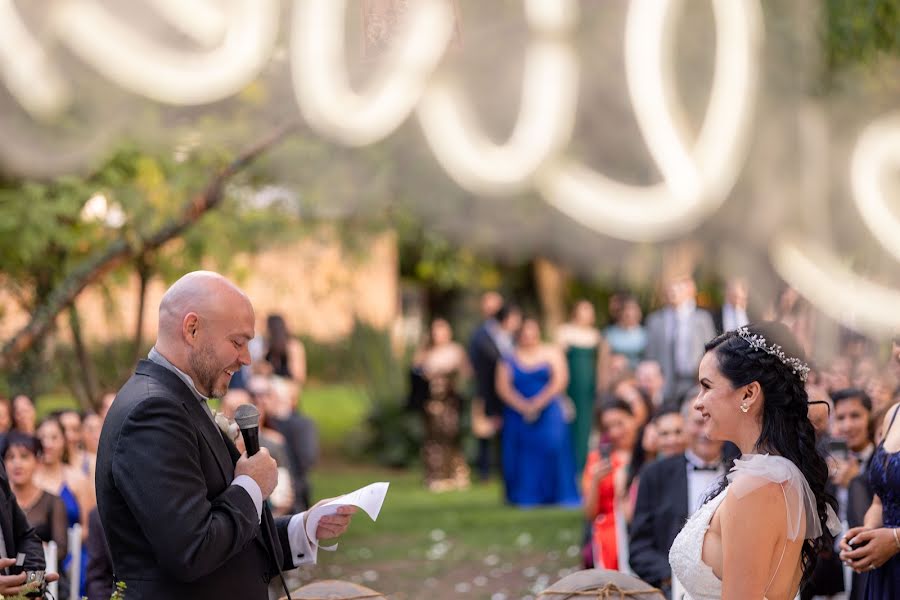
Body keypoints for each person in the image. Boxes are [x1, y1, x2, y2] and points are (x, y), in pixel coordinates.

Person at [96, 271, 355, 600]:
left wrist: (301, 529)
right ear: (192, 329)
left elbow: (223, 536)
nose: (246, 359)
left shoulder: (179, 400)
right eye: (237, 342)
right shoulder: (152, 412)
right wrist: (250, 486)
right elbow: (192, 550)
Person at [669, 322, 840, 600]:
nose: (697, 403)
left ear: (748, 394)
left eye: (706, 386)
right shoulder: (768, 474)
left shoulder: (759, 486)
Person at [630, 401, 726, 596]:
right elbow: (639, 549)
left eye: (714, 421)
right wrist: (673, 577)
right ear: (685, 426)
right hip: (673, 590)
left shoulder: (741, 472)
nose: (706, 431)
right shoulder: (655, 475)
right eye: (698, 422)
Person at [496, 317, 580, 507]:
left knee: (553, 448)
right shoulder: (509, 358)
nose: (529, 336)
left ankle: (559, 494)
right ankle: (525, 495)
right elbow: (503, 388)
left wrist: (538, 403)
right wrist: (523, 406)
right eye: (524, 333)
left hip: (549, 410)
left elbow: (560, 380)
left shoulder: (551, 352)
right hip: (518, 413)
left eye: (532, 332)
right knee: (523, 454)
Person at [839, 367, 900, 597]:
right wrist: (864, 536)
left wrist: (895, 540)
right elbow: (879, 501)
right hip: (885, 571)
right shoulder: (893, 414)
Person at [413, 318, 471, 492]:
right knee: (433, 439)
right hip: (432, 402)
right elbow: (416, 374)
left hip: (451, 402)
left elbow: (465, 373)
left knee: (451, 436)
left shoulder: (456, 350)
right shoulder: (425, 352)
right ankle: (436, 475)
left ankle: (456, 473)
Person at [582, 399, 638, 571]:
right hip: (608, 531)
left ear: (633, 418)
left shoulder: (646, 453)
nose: (615, 432)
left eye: (619, 423)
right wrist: (596, 481)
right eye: (608, 427)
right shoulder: (597, 460)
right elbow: (590, 513)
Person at [469, 301, 522, 481]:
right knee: (485, 431)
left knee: (505, 433)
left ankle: (505, 469)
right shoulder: (481, 337)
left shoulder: (514, 338)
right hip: (488, 391)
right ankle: (484, 471)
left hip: (511, 393)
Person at [644, 276, 716, 407]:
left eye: (677, 288)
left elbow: (711, 350)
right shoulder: (655, 320)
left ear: (689, 291)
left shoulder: (702, 319)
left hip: (694, 379)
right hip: (664, 382)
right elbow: (650, 355)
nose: (673, 292)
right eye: (670, 289)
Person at [556, 300, 606, 474]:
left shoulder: (595, 335)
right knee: (570, 424)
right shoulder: (564, 332)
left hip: (588, 387)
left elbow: (600, 363)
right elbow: (559, 360)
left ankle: (583, 467)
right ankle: (567, 468)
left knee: (586, 426)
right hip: (571, 385)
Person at [3, 432, 68, 559]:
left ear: (38, 462)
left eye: (24, 456)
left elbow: (60, 550)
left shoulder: (53, 501)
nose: (17, 463)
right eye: (11, 457)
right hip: (6, 572)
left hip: (43, 571)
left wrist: (29, 550)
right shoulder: (2, 502)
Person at [603, 294, 647, 370]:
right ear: (620, 312)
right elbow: (603, 362)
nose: (629, 313)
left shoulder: (645, 334)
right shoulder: (610, 333)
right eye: (627, 309)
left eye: (633, 309)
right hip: (615, 376)